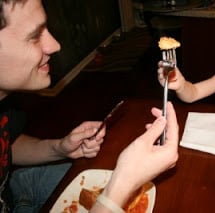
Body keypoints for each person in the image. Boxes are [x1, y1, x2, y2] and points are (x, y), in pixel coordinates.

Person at [0, 0, 179, 212]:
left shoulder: (6, 104)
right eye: (34, 36)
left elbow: (7, 145)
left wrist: (59, 148)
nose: (55, 46)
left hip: (17, 187)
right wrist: (120, 188)